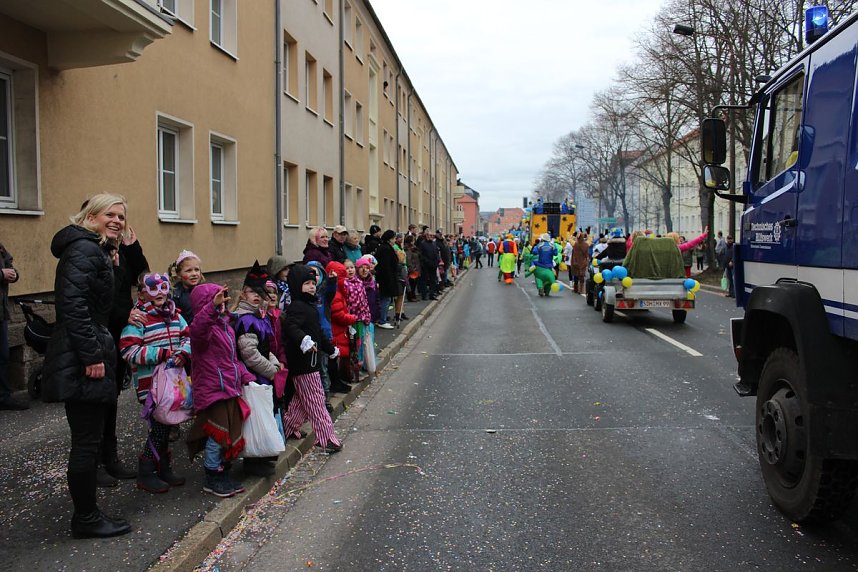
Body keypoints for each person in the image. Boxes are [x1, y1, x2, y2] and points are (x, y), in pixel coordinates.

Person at [42, 193, 133, 538]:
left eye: (121, 217)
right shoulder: (82, 250)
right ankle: (86, 519)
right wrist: (92, 355)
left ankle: (88, 514)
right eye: (109, 214)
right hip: (82, 355)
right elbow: (74, 307)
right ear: (90, 217)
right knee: (85, 442)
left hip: (88, 348)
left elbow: (97, 304)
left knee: (89, 439)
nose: (117, 221)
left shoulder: (96, 250)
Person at [119, 272, 191, 494]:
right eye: (152, 288)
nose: (159, 293)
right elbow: (129, 350)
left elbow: (188, 338)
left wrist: (183, 353)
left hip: (174, 384)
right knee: (159, 427)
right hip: (152, 386)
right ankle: (146, 470)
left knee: (167, 426)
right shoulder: (140, 319)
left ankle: (163, 467)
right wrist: (162, 354)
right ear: (142, 293)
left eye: (163, 287)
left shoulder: (177, 316)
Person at [185, 282, 255, 498]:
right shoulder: (204, 331)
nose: (222, 304)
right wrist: (211, 309)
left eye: (224, 299)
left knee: (231, 430)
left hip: (229, 388)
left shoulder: (226, 326)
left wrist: (246, 376)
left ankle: (223, 469)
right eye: (217, 300)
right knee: (218, 435)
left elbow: (232, 359)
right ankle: (212, 474)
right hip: (213, 390)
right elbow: (197, 330)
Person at [280, 264, 343, 453]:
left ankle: (287, 429)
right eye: (306, 283)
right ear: (296, 285)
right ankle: (327, 439)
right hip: (303, 363)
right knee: (316, 401)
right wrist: (304, 340)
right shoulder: (297, 307)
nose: (311, 287)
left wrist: (330, 349)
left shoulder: (310, 306)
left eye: (313, 283)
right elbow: (291, 327)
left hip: (311, 363)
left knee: (301, 401)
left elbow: (319, 332)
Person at [233, 261, 284, 477]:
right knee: (255, 417)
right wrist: (271, 370)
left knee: (266, 414)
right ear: (243, 294)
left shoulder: (257, 318)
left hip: (263, 374)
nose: (256, 296)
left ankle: (262, 457)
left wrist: (274, 362)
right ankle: (252, 461)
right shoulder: (245, 320)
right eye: (251, 292)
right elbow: (250, 354)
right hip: (254, 377)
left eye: (259, 293)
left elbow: (265, 346)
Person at [0, 241, 28, 410]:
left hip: (1, 311)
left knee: (3, 356)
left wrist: (13, 274)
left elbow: (9, 264)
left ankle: (3, 397)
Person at [169, 250, 203, 326]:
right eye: (189, 271)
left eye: (197, 270)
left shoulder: (204, 291)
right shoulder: (175, 295)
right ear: (179, 274)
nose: (194, 274)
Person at [374, 230, 399, 329]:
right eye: (393, 238)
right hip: (386, 279)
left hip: (385, 278)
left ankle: (381, 319)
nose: (394, 240)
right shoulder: (386, 249)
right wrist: (390, 280)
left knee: (384, 299)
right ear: (390, 239)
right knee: (385, 299)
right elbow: (386, 266)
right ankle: (382, 320)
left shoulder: (384, 247)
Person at [417, 230, 440, 300]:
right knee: (424, 280)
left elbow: (436, 253)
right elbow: (421, 255)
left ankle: (432, 294)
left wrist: (437, 261)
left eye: (432, 236)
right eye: (430, 235)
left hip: (434, 264)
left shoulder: (433, 243)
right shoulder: (422, 243)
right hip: (426, 265)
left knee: (433, 280)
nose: (432, 237)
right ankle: (424, 296)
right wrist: (427, 261)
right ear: (426, 235)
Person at [404, 234, 420, 302]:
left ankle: (413, 296)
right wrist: (411, 269)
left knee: (414, 284)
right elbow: (408, 260)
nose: (414, 241)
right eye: (413, 240)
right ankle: (411, 297)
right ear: (410, 242)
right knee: (411, 284)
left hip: (416, 267)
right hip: (413, 269)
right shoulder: (408, 249)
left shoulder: (414, 248)